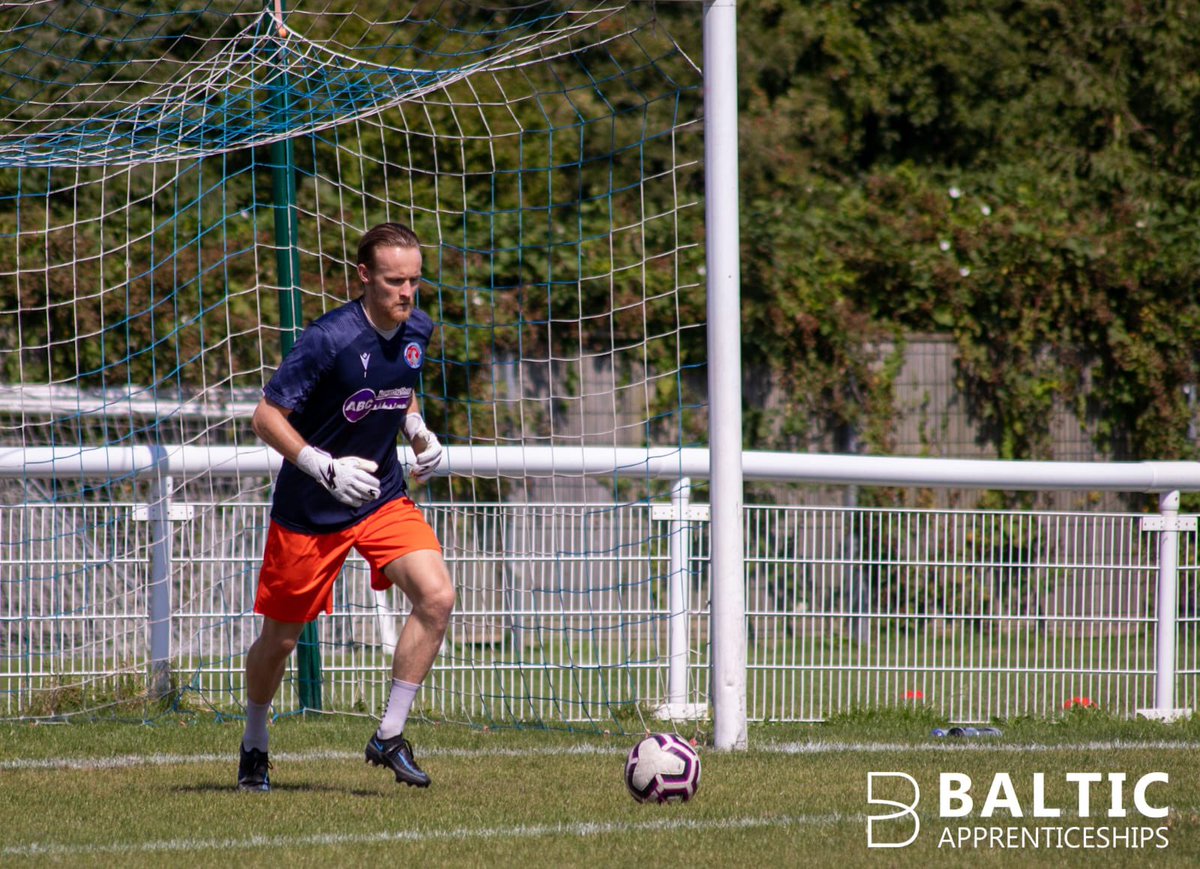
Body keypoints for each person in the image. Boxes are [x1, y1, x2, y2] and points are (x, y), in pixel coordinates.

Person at [237, 222, 455, 792]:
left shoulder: (418, 328)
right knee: (281, 641)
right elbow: (265, 417)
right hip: (311, 506)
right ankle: (255, 743)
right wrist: (322, 466)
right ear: (363, 276)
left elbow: (399, 384)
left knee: (437, 597)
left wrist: (415, 427)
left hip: (380, 494)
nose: (406, 293)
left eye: (414, 281)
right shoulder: (328, 338)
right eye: (393, 282)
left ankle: (389, 735)